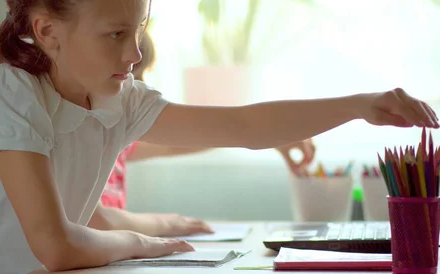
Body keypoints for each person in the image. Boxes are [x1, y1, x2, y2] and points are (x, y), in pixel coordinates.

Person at [0, 0, 439, 274]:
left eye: (139, 29)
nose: (135, 53)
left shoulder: (117, 100)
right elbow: (56, 246)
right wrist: (144, 246)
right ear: (48, 30)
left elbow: (243, 124)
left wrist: (359, 104)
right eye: (116, 34)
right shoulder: (11, 92)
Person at [95, 31, 316, 237]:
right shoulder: (81, 136)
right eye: (132, 75)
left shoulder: (116, 135)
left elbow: (173, 143)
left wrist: (271, 138)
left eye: (141, 74)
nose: (139, 85)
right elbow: (97, 222)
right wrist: (167, 224)